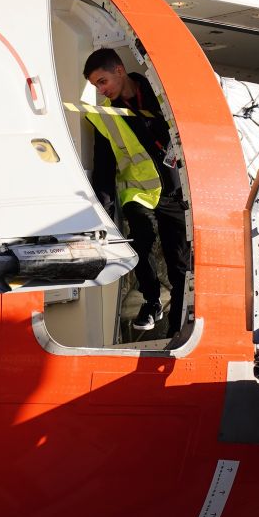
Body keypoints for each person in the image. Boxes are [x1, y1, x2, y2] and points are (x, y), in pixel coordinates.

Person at [82, 47, 189, 335]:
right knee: (141, 239)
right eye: (95, 86)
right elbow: (103, 169)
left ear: (120, 71)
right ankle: (151, 301)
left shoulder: (159, 95)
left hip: (174, 193)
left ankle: (176, 329)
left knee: (179, 264)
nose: (101, 90)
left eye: (102, 81)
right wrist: (102, 214)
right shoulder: (106, 117)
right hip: (137, 192)